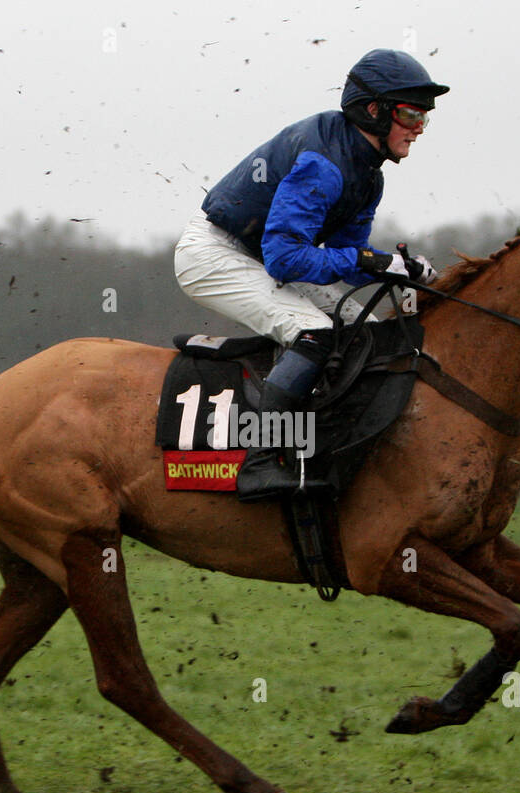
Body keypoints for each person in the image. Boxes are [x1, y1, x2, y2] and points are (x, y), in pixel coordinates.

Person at [174, 48, 448, 500]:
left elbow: (343, 255)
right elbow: (286, 259)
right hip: (215, 254)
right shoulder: (324, 161)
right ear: (374, 110)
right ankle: (261, 460)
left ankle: (327, 447)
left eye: (424, 117)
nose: (419, 127)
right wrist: (368, 263)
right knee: (314, 332)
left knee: (370, 334)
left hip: (260, 255)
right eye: (410, 113)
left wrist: (397, 269)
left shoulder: (369, 173)